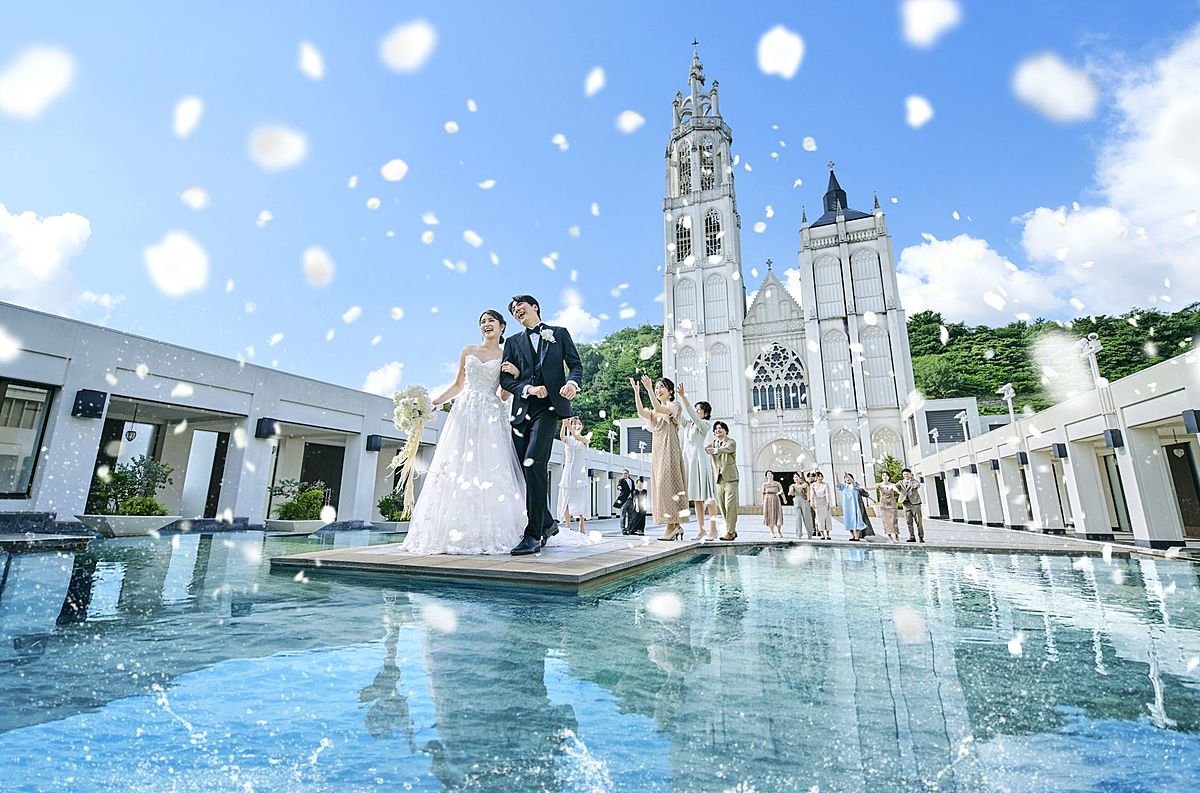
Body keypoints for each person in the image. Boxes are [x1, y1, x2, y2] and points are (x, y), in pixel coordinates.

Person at [402, 310, 584, 555]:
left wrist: (518, 376)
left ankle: (531, 524)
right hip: (464, 413)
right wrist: (432, 403)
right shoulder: (468, 350)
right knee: (458, 467)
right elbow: (457, 385)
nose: (486, 324)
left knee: (498, 468)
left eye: (491, 321)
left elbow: (504, 392)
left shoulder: (508, 353)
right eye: (482, 322)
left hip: (491, 415)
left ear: (502, 327)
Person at [499, 295, 584, 556]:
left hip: (549, 410)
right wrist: (526, 387)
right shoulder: (513, 342)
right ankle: (548, 523)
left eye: (520, 306)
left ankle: (533, 534)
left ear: (534, 306)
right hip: (521, 412)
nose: (516, 311)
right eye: (513, 310)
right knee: (524, 471)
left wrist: (571, 384)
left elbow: (576, 365)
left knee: (534, 464)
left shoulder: (559, 333)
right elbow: (504, 380)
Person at [631, 374, 689, 541]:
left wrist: (648, 388)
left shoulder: (674, 406)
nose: (658, 390)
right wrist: (637, 391)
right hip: (657, 450)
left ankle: (672, 525)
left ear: (670, 391)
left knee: (668, 483)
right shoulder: (655, 411)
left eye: (661, 387)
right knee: (659, 485)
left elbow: (658, 408)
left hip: (670, 447)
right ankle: (675, 525)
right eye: (656, 387)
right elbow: (641, 411)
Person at [677, 383, 718, 540]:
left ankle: (713, 530)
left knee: (708, 497)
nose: (696, 411)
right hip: (690, 462)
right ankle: (701, 530)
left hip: (701, 462)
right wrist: (670, 402)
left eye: (699, 409)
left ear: (705, 413)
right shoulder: (689, 425)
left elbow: (692, 415)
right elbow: (679, 416)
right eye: (696, 408)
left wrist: (683, 397)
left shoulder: (705, 425)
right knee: (697, 499)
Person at [705, 421, 739, 541]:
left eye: (720, 428)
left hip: (730, 478)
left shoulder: (731, 442)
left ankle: (729, 532)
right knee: (723, 507)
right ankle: (732, 530)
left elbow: (725, 449)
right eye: (716, 429)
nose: (717, 430)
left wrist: (714, 451)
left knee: (731, 505)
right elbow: (704, 448)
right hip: (718, 480)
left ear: (726, 430)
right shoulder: (713, 443)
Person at [558, 416, 590, 533]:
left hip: (580, 472)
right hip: (568, 470)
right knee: (566, 496)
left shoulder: (585, 439)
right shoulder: (568, 439)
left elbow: (577, 436)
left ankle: (582, 525)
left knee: (581, 497)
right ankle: (568, 525)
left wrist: (569, 427)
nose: (577, 426)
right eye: (575, 423)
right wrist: (563, 424)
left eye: (579, 424)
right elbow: (561, 437)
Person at [838, 472, 871, 541]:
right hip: (847, 507)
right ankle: (853, 536)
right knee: (848, 521)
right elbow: (838, 484)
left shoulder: (854, 485)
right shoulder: (844, 486)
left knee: (856, 521)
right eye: (845, 478)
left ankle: (857, 537)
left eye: (848, 477)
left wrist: (848, 476)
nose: (847, 479)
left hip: (854, 506)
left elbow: (853, 483)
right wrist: (836, 476)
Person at [897, 468, 926, 543]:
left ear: (910, 474)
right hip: (906, 504)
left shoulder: (914, 481)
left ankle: (921, 537)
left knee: (918, 521)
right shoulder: (900, 482)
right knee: (908, 521)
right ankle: (912, 537)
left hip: (915, 504)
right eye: (904, 474)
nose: (906, 475)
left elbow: (917, 485)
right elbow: (895, 487)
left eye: (907, 474)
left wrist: (914, 486)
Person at [876, 471, 901, 542]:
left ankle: (896, 535)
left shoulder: (892, 485)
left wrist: (899, 492)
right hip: (884, 505)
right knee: (886, 521)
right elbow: (872, 488)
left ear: (889, 477)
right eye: (883, 475)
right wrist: (866, 488)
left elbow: (895, 489)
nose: (885, 476)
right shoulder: (879, 484)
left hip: (892, 504)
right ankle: (889, 536)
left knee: (894, 520)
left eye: (886, 475)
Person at [789, 472, 813, 539]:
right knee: (797, 518)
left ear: (800, 478)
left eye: (797, 477)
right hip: (796, 501)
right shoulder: (792, 485)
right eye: (795, 477)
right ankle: (799, 534)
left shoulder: (804, 484)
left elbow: (803, 488)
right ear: (793, 479)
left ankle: (810, 534)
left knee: (807, 518)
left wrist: (795, 487)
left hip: (804, 501)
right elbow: (791, 492)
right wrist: (791, 490)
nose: (796, 478)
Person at [809, 471, 833, 540]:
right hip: (817, 502)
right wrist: (812, 504)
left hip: (825, 502)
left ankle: (828, 534)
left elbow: (828, 494)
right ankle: (822, 534)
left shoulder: (825, 484)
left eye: (821, 476)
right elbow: (812, 495)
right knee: (819, 519)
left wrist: (829, 503)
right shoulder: (813, 485)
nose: (820, 477)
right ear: (816, 477)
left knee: (827, 518)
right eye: (819, 476)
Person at [761, 471, 785, 539]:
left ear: (773, 475)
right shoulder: (764, 484)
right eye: (768, 474)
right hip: (767, 500)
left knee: (778, 514)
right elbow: (763, 493)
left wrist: (784, 499)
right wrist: (763, 502)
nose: (769, 475)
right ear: (766, 476)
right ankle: (772, 532)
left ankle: (779, 531)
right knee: (770, 515)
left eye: (770, 474)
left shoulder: (777, 483)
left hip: (776, 499)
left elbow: (781, 491)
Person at [614, 469, 636, 534]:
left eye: (626, 473)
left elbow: (633, 490)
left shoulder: (631, 481)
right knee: (623, 515)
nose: (625, 475)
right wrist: (619, 487)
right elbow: (619, 486)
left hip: (630, 500)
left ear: (628, 474)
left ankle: (628, 528)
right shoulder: (621, 480)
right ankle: (623, 529)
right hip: (624, 500)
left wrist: (634, 498)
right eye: (623, 473)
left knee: (630, 515)